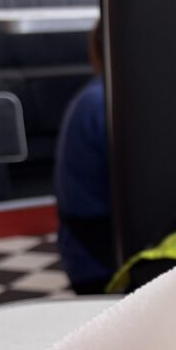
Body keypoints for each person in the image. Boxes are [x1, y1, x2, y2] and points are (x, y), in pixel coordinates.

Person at [54, 18, 115, 294]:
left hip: (96, 254)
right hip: (98, 266)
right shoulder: (97, 105)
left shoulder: (97, 100)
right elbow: (84, 218)